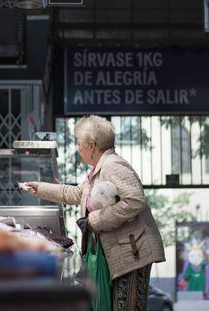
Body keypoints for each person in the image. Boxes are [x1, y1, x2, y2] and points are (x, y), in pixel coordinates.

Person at [26, 115, 165, 311]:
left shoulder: (113, 166)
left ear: (91, 145)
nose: (77, 148)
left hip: (133, 252)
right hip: (122, 252)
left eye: (79, 143)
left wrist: (95, 220)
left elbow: (135, 200)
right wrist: (39, 188)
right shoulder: (98, 170)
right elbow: (74, 193)